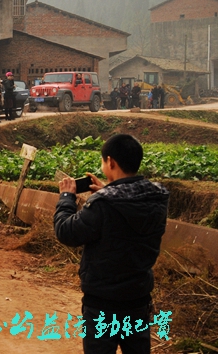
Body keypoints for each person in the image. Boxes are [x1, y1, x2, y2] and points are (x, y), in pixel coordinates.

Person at [54, 134, 169, 354]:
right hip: (138, 301)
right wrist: (108, 190)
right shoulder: (157, 197)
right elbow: (127, 206)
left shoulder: (103, 204)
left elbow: (66, 232)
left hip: (103, 305)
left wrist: (67, 198)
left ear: (111, 162)